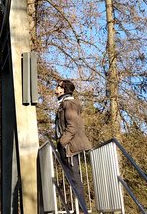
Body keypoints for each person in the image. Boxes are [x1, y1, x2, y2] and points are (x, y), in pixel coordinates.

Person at [55, 79, 92, 213]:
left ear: (64, 89)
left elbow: (73, 125)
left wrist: (62, 142)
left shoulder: (68, 104)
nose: (56, 89)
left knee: (75, 179)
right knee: (73, 179)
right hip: (67, 146)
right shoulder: (66, 103)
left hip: (69, 147)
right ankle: (80, 209)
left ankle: (82, 210)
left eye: (58, 87)